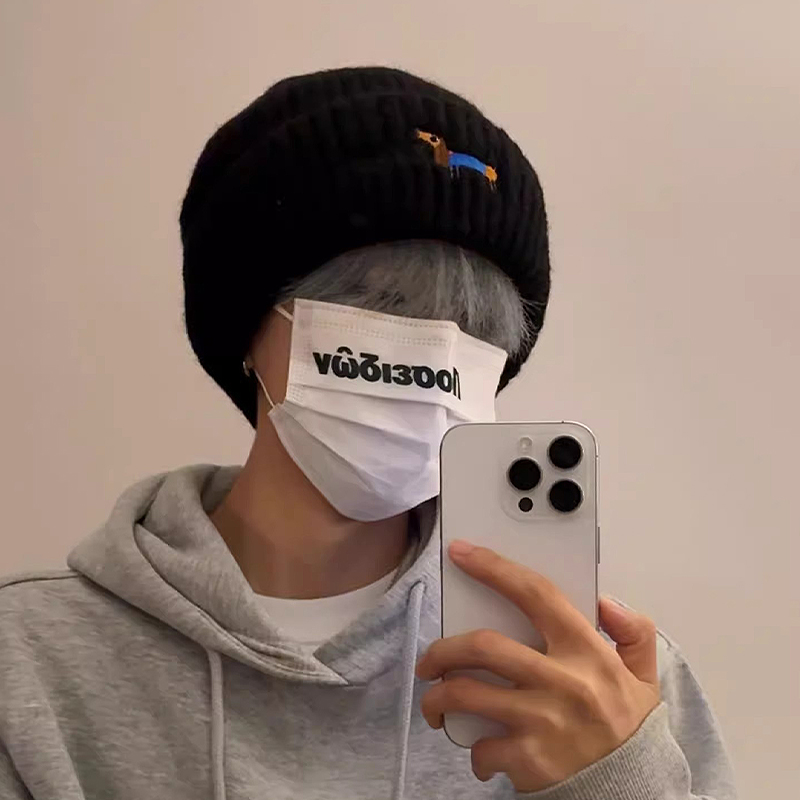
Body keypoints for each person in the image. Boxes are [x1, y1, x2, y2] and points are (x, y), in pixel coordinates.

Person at [0, 67, 737, 799]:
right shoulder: (29, 663)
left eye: (477, 324)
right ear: (245, 330)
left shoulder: (599, 679)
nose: (434, 355)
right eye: (376, 303)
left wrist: (618, 780)